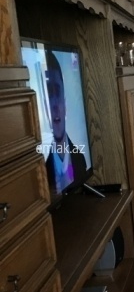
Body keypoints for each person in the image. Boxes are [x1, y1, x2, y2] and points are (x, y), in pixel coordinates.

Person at [45, 50, 87, 193]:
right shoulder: (41, 169)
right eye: (49, 94)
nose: (54, 105)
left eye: (57, 92)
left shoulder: (80, 160)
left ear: (65, 103)